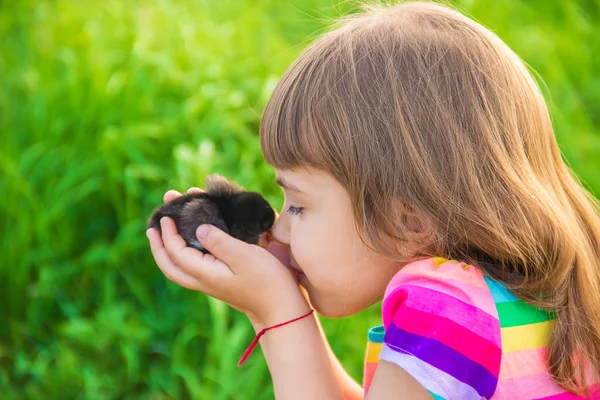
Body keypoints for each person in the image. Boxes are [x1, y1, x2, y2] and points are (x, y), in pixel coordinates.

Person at [146, 1, 600, 399]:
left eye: (299, 206)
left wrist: (277, 312)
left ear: (410, 221)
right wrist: (268, 302)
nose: (280, 229)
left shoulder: (442, 310)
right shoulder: (525, 297)